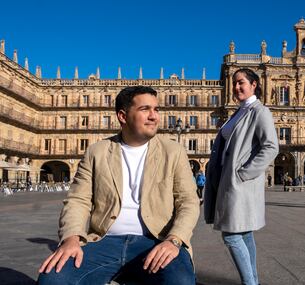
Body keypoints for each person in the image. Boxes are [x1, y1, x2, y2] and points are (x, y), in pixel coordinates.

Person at [37, 86, 200, 285]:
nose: (154, 116)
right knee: (52, 280)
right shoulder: (97, 152)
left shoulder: (173, 152)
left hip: (158, 240)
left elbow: (188, 202)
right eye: (145, 109)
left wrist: (174, 240)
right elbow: (78, 200)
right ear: (123, 116)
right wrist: (71, 237)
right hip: (104, 242)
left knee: (180, 282)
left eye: (156, 110)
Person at [204, 68, 278, 285]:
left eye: (241, 82)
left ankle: (249, 283)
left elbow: (271, 146)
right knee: (244, 234)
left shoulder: (259, 111)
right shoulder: (239, 112)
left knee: (231, 235)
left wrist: (243, 173)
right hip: (226, 180)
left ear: (254, 84)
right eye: (234, 83)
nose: (236, 87)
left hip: (238, 184)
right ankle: (253, 281)